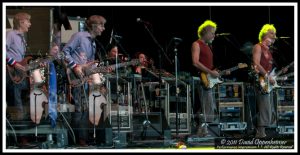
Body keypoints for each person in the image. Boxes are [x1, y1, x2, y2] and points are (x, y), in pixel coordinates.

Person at [62, 15, 108, 146]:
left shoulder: (93, 42)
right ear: (94, 26)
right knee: (80, 107)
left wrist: (101, 69)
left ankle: (82, 138)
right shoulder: (80, 36)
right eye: (101, 25)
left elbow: (89, 64)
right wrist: (75, 66)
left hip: (85, 78)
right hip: (76, 76)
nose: (103, 29)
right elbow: (64, 52)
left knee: (85, 107)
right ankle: (78, 140)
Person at [191, 20, 230, 137]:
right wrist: (210, 72)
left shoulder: (208, 46)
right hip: (201, 78)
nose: (214, 35)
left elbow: (211, 68)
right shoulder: (196, 44)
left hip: (208, 79)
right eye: (212, 33)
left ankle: (201, 131)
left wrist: (220, 73)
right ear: (205, 32)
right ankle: (200, 131)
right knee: (206, 106)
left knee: (208, 106)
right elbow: (195, 62)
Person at [252, 24, 287, 138]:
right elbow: (256, 64)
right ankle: (260, 132)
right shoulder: (258, 47)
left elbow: (269, 69)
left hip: (267, 80)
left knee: (269, 106)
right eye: (272, 33)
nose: (274, 36)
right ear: (264, 34)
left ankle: (263, 130)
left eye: (275, 33)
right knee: (264, 105)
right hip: (261, 80)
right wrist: (267, 76)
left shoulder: (269, 51)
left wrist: (278, 74)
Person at [6, 12, 33, 146]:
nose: (30, 24)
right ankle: (20, 138)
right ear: (21, 22)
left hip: (20, 75)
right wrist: (14, 63)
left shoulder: (23, 38)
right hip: (12, 73)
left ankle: (23, 136)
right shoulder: (10, 35)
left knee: (22, 104)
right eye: (28, 21)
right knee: (17, 104)